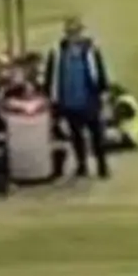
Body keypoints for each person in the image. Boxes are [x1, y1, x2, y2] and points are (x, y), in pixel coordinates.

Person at [43, 17, 112, 180]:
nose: (74, 35)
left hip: (89, 99)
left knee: (96, 134)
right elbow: (51, 75)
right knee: (75, 135)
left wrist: (103, 92)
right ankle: (82, 165)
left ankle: (102, 165)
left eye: (76, 32)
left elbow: (100, 71)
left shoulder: (91, 50)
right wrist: (51, 97)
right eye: (70, 32)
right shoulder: (58, 51)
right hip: (68, 100)